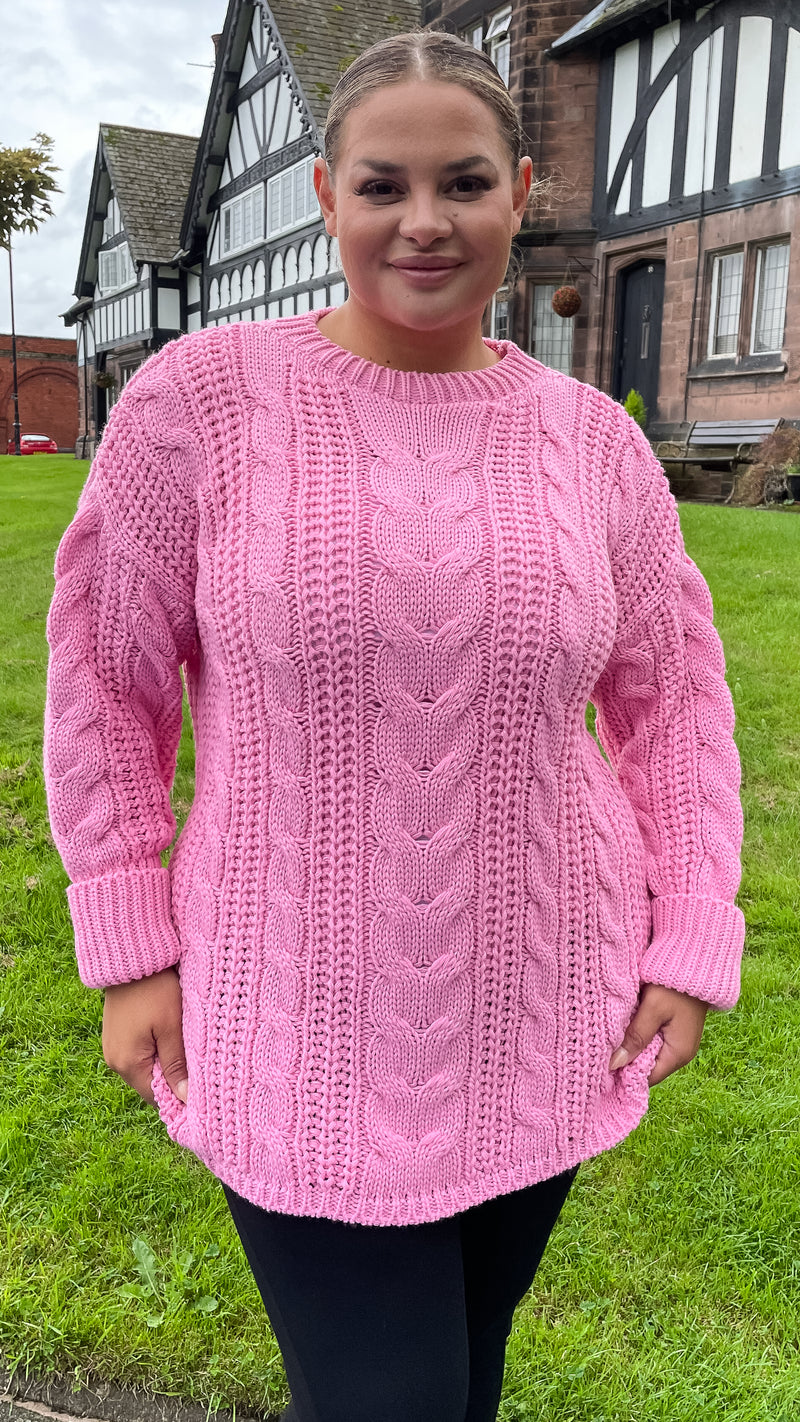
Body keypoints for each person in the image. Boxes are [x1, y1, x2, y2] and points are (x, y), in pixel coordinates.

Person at [43, 28, 745, 1422]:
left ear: (521, 193)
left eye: (464, 182)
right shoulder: (201, 407)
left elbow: (674, 704)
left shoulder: (593, 442)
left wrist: (691, 934)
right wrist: (129, 945)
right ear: (326, 196)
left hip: (543, 998)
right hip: (289, 1010)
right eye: (383, 186)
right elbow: (103, 681)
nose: (424, 220)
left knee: (464, 1380)